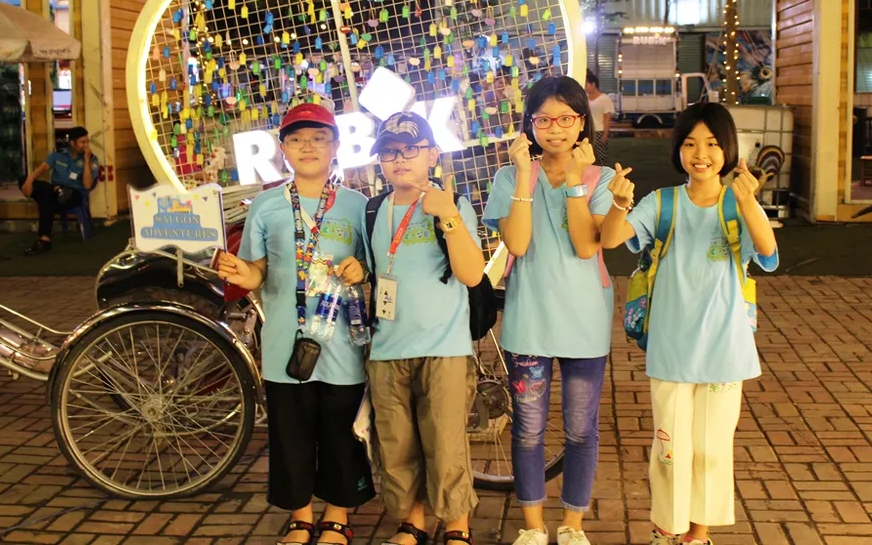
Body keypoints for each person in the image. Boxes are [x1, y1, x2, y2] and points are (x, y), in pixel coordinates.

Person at [599, 102, 779, 545]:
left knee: (711, 449)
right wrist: (619, 204)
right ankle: (667, 529)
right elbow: (611, 238)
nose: (701, 154)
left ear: (729, 150)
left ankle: (698, 534)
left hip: (725, 349)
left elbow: (768, 253)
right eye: (691, 143)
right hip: (672, 348)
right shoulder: (661, 203)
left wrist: (748, 201)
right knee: (670, 448)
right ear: (678, 149)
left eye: (713, 144)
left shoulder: (738, 204)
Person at [217, 103, 375, 545]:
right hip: (285, 342)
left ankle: (337, 516)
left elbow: (371, 264)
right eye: (297, 139)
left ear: (336, 146)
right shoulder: (266, 205)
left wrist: (360, 269)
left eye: (319, 138)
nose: (308, 147)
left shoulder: (357, 205)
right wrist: (240, 272)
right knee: (291, 434)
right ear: (283, 149)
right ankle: (301, 517)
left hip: (342, 343)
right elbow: (256, 272)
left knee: (341, 432)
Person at [482, 76, 615, 545]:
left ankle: (573, 526)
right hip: (529, 321)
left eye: (566, 118)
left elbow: (586, 246)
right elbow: (517, 244)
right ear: (529, 124)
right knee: (528, 430)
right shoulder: (509, 176)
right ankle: (534, 526)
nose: (555, 129)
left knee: (580, 430)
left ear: (582, 122)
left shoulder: (603, 178)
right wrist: (524, 176)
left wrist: (575, 181)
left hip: (585, 322)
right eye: (543, 119)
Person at [363, 111, 485, 545]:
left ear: (432, 155)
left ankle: (456, 526)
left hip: (444, 346)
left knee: (446, 444)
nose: (400, 159)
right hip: (387, 348)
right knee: (396, 446)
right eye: (389, 152)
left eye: (411, 149)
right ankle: (412, 522)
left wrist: (448, 217)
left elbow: (472, 274)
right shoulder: (373, 210)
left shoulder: (453, 204)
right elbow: (372, 268)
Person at [17, 126, 99, 255]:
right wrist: (29, 180)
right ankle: (44, 239)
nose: (86, 145)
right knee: (24, 179)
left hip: (74, 194)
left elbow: (87, 185)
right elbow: (43, 168)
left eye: (86, 142)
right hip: (55, 193)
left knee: (46, 199)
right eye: (82, 142)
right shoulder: (58, 154)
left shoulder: (91, 159)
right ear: (72, 143)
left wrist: (87, 160)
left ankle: (44, 239)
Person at [585, 71, 613, 166]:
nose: (585, 87)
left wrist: (605, 134)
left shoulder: (604, 99)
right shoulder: (585, 98)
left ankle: (602, 173)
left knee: (600, 156)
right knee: (588, 156)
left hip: (599, 131)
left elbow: (607, 118)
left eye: (586, 85)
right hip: (587, 131)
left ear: (593, 84)